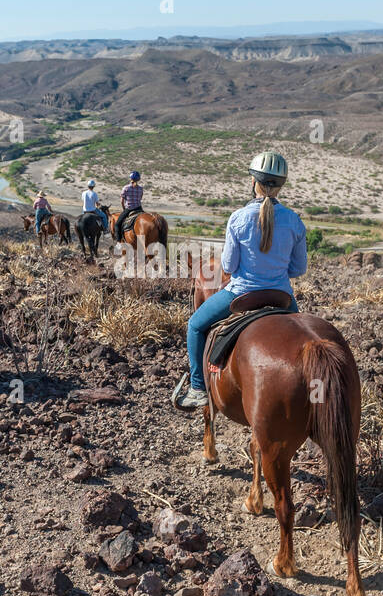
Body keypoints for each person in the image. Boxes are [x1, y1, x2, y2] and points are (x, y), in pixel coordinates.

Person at [172, 151, 307, 410]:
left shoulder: (238, 218)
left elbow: (228, 266)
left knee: (195, 325)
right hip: (282, 296)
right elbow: (298, 269)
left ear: (253, 181)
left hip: (241, 293)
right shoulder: (294, 221)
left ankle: (198, 387)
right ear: (281, 185)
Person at [114, 170, 143, 241]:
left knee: (117, 224)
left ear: (130, 178)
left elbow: (122, 201)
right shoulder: (140, 189)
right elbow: (140, 198)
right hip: (139, 209)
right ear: (138, 179)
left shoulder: (126, 188)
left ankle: (118, 243)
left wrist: (124, 209)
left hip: (129, 209)